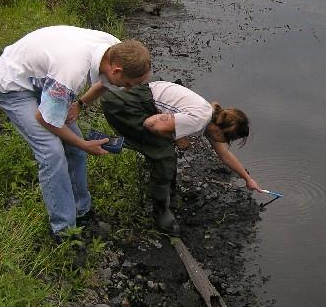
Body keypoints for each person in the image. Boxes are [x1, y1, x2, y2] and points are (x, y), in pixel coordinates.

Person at [0, 26, 151, 238]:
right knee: (52, 152)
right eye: (129, 85)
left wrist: (80, 104)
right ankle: (64, 231)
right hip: (14, 85)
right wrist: (82, 143)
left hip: (44, 77)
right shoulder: (71, 71)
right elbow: (45, 119)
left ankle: (81, 209)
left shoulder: (115, 50)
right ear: (117, 71)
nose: (128, 89)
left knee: (73, 148)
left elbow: (106, 82)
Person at [100, 80, 262, 235]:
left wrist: (248, 179)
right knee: (164, 157)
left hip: (129, 99)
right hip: (123, 105)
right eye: (228, 139)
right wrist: (175, 137)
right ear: (220, 131)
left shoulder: (209, 115)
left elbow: (225, 155)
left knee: (162, 149)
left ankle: (168, 194)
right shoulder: (200, 120)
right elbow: (150, 124)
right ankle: (161, 214)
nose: (225, 143)